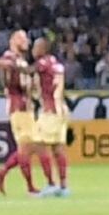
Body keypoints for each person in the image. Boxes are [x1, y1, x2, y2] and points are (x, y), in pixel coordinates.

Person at [0, 30, 41, 196]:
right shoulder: (10, 56)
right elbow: (4, 64)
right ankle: (28, 186)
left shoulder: (21, 60)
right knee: (27, 146)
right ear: (13, 41)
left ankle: (3, 174)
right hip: (18, 107)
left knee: (28, 147)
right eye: (22, 38)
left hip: (25, 106)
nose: (27, 41)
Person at [29, 36, 71, 197]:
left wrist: (11, 64)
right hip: (61, 110)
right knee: (57, 148)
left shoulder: (42, 63)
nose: (33, 50)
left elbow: (28, 71)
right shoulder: (56, 64)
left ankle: (51, 184)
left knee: (39, 144)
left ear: (43, 49)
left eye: (36, 46)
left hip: (50, 111)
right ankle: (64, 186)